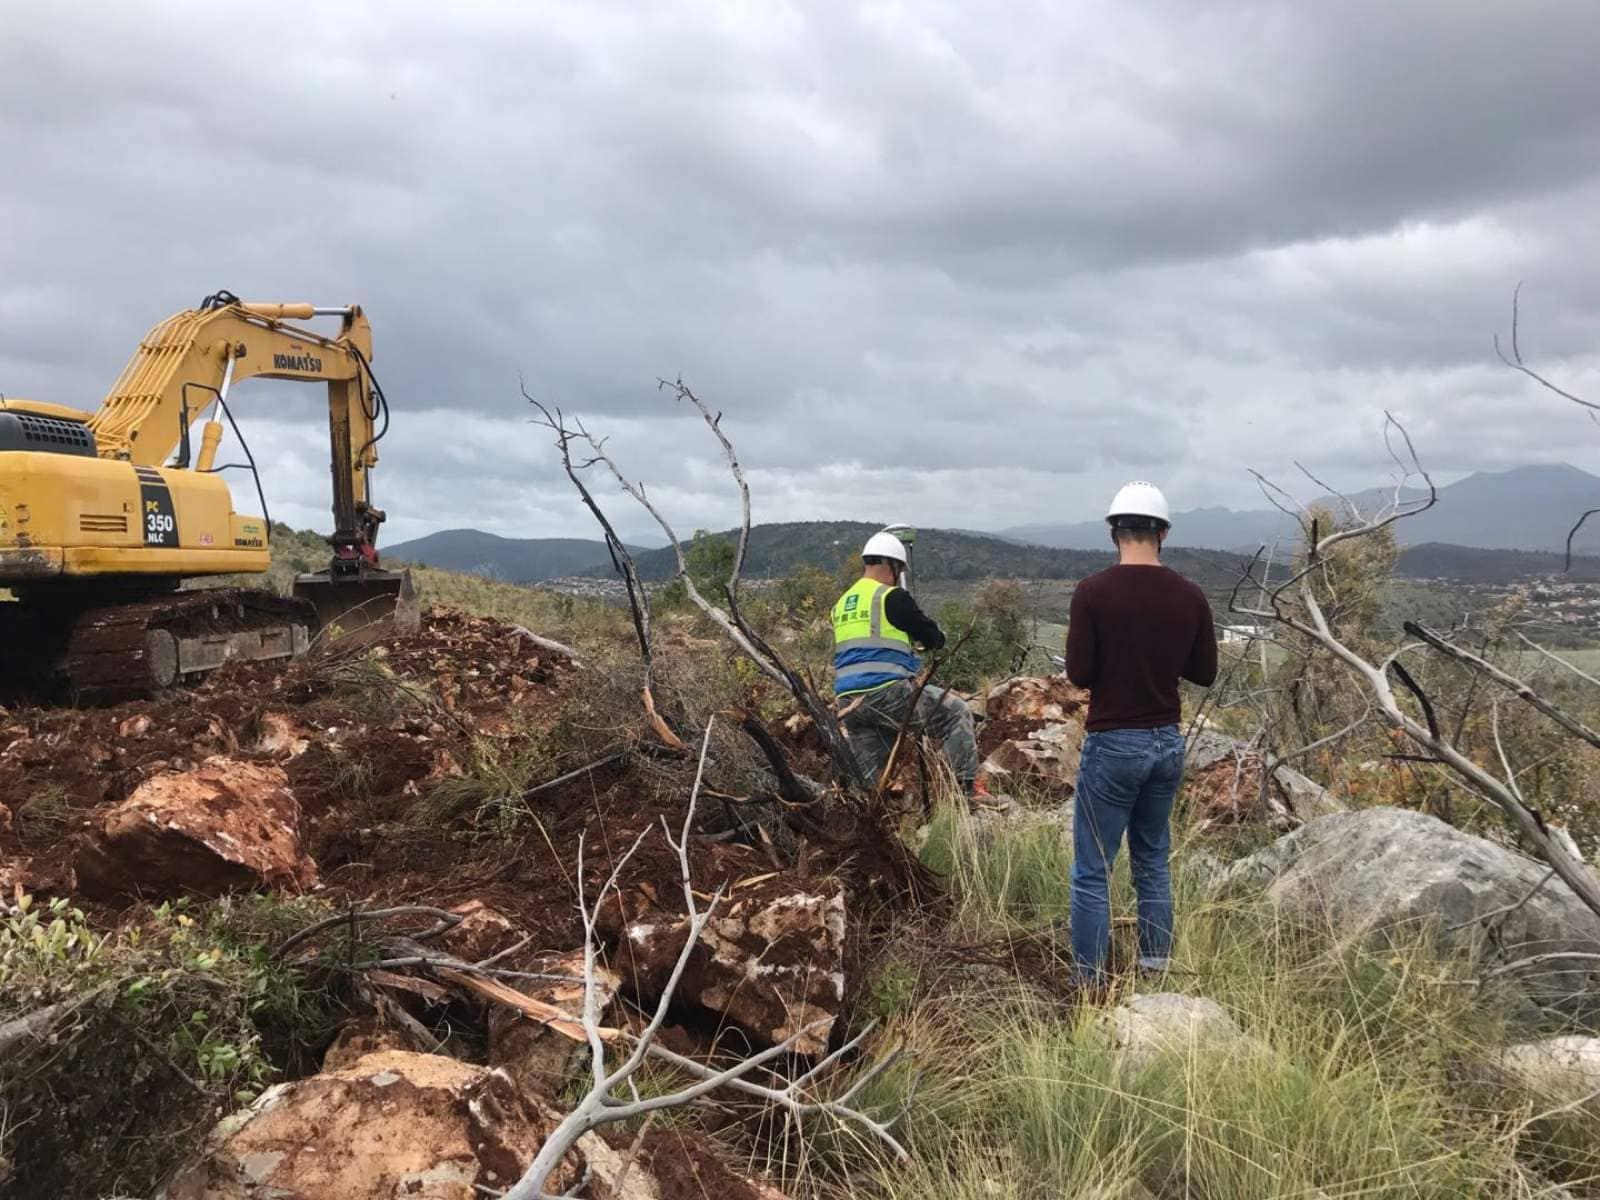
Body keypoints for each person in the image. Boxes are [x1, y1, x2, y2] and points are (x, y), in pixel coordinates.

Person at [1065, 481, 1217, 986]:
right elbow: (1205, 672)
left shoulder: (1092, 592)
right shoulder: (1190, 594)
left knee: (1093, 870)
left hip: (1114, 742)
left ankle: (1088, 982)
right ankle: (1156, 970)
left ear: (1114, 532)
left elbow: (1080, 674)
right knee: (1151, 861)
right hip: (1166, 743)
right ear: (1163, 532)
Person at [832, 531, 985, 799]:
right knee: (956, 713)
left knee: (872, 783)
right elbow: (932, 637)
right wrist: (935, 638)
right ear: (893, 566)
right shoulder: (891, 597)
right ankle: (961, 792)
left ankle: (874, 822)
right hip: (887, 694)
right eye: (899, 568)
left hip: (848, 704)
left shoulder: (842, 603)